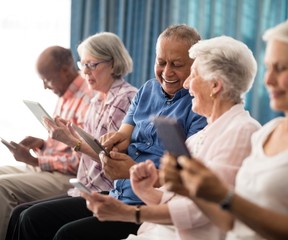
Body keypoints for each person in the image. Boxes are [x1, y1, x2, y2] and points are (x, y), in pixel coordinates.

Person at [161, 16, 288, 240]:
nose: (269, 80)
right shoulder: (268, 132)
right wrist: (191, 188)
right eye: (268, 68)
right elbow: (230, 221)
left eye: (281, 68)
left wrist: (225, 196)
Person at [16, 24, 207, 240]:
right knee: (30, 217)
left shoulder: (198, 107)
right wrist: (110, 144)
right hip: (118, 193)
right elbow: (124, 136)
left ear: (195, 65)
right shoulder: (147, 90)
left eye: (177, 64)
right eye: (161, 62)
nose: (167, 72)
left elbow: (186, 181)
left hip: (147, 204)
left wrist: (131, 169)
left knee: (66, 234)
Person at [82, 35, 262, 240]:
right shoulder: (199, 137)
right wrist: (145, 188)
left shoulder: (242, 131)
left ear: (215, 86)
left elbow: (205, 211)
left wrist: (130, 213)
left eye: (193, 76)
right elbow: (176, 197)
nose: (186, 85)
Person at [6, 32, 138, 240]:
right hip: (85, 187)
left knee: (30, 218)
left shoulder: (125, 99)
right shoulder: (97, 100)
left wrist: (70, 140)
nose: (84, 72)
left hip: (106, 191)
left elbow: (113, 160)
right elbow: (88, 150)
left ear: (113, 64)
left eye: (92, 65)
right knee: (19, 214)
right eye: (82, 64)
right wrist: (66, 136)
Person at [0, 46, 94, 240]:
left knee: (2, 187)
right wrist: (43, 145)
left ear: (65, 71)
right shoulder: (66, 94)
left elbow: (81, 160)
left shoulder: (88, 100)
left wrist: (35, 162)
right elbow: (65, 144)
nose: (44, 86)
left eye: (47, 79)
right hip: (50, 167)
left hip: (66, 175)